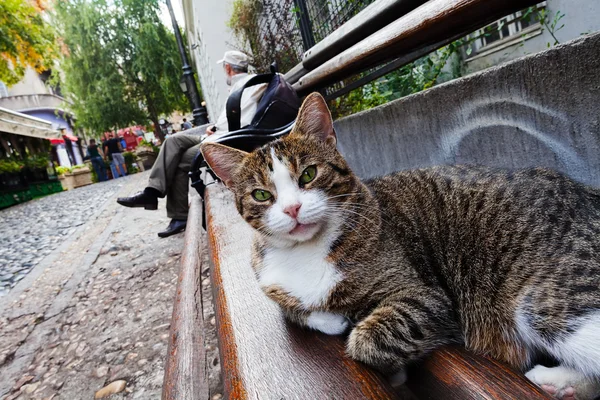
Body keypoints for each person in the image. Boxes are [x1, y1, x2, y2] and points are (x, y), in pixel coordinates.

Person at [116, 50, 267, 238]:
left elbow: (243, 122)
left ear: (228, 68)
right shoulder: (247, 85)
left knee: (180, 161)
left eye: (223, 67)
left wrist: (218, 130)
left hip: (224, 140)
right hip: (216, 134)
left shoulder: (249, 85)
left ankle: (177, 215)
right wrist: (214, 127)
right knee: (173, 141)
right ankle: (151, 191)